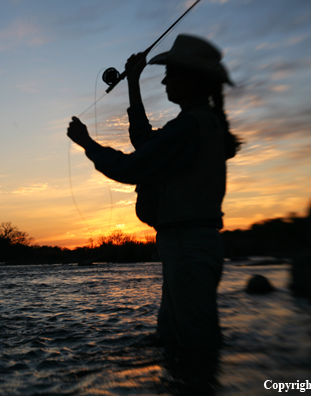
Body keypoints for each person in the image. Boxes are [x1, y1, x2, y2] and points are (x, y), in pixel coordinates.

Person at [67, 34, 240, 361]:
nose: (163, 80)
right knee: (175, 341)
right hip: (189, 244)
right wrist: (133, 81)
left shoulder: (190, 126)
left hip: (187, 244)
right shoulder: (204, 123)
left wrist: (87, 143)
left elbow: (133, 166)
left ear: (192, 79)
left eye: (171, 73)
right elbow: (146, 141)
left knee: (194, 348)